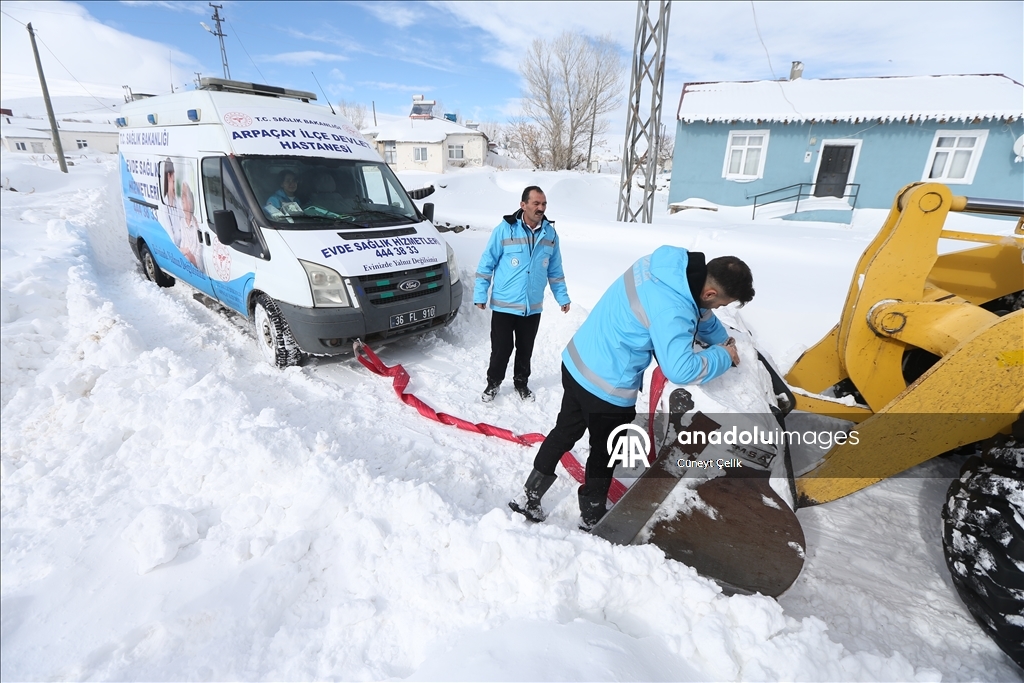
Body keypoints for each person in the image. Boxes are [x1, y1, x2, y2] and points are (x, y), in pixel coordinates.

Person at [509, 247, 754, 530]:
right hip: (607, 388)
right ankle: (592, 516)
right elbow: (681, 369)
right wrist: (724, 356)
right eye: (721, 304)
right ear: (710, 293)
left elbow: (698, 311)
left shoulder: (666, 264)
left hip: (578, 361)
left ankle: (529, 496)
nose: (718, 309)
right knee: (604, 452)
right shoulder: (673, 308)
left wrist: (722, 339)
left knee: (564, 431)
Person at [474, 186, 571, 402]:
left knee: (525, 349)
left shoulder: (550, 234)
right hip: (504, 305)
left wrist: (562, 297)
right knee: (501, 348)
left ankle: (521, 383)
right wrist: (480, 293)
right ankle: (493, 383)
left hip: (532, 306)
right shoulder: (504, 230)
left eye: (544, 204)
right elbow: (487, 262)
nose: (541, 208)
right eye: (536, 203)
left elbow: (555, 270)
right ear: (523, 205)